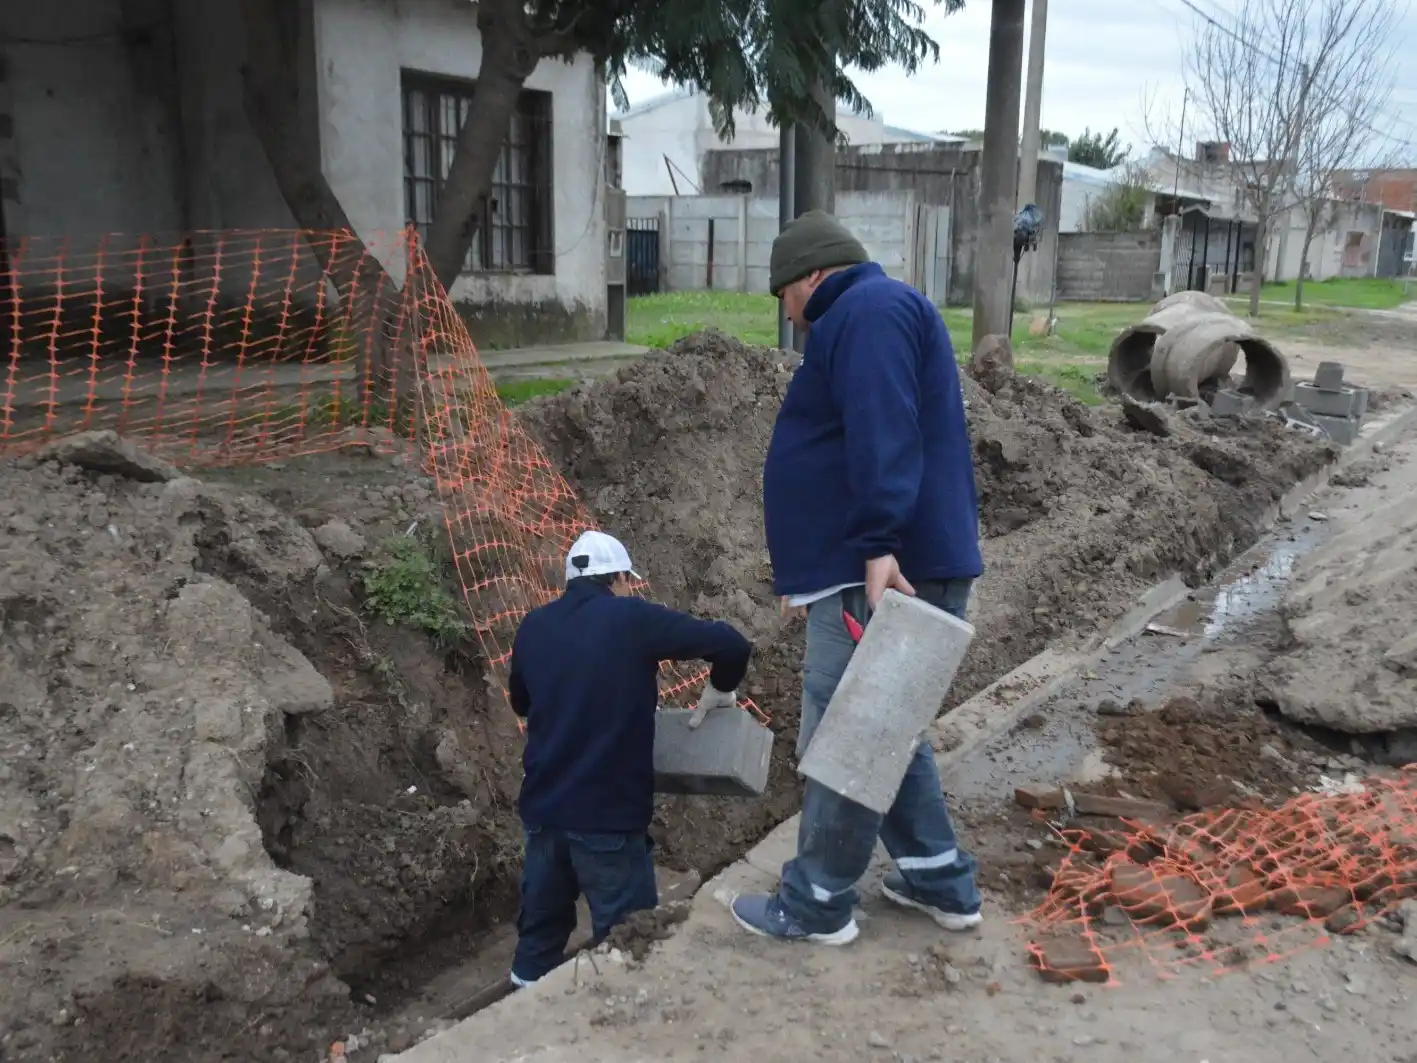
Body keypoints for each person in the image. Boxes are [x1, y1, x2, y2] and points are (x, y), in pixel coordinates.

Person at [730, 210, 985, 946]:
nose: (787, 314)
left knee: (852, 728)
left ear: (811, 275)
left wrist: (875, 544)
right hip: (874, 564)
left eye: (783, 296)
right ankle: (940, 880)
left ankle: (815, 904)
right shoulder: (872, 312)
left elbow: (883, 425)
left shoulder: (867, 311)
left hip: (883, 571)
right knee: (887, 722)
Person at [507, 529, 753, 986]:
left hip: (543, 817)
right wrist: (720, 691)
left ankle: (519, 1032)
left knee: (537, 940)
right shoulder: (630, 618)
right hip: (607, 819)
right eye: (628, 582)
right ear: (618, 577)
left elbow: (522, 704)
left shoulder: (533, 626)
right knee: (630, 941)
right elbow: (731, 645)